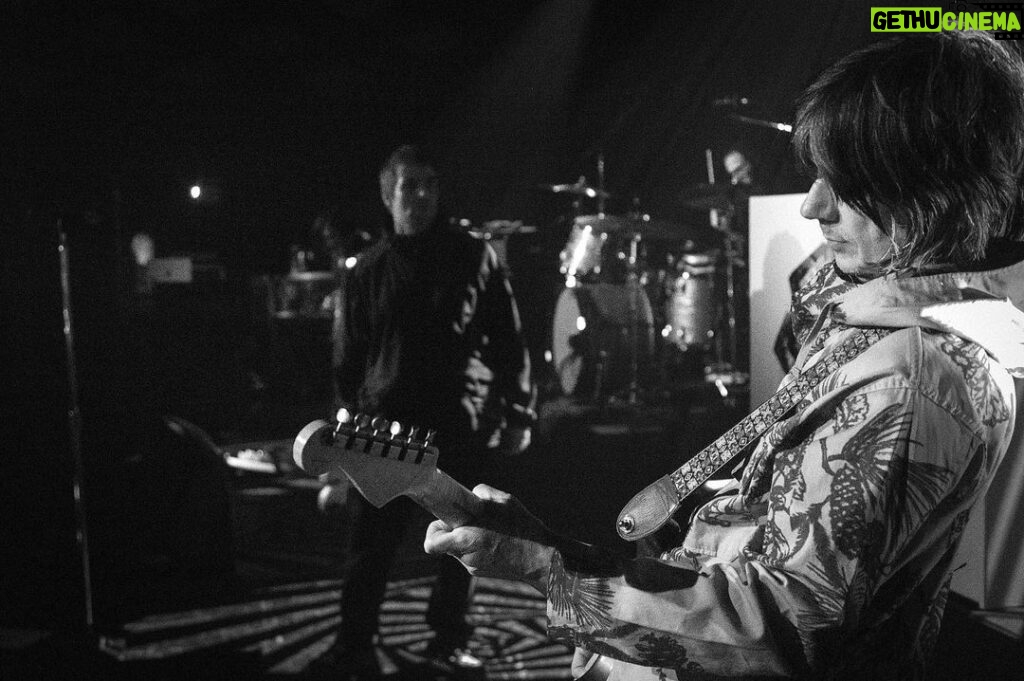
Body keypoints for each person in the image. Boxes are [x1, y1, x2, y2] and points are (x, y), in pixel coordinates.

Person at [425, 32, 1024, 680]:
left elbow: (775, 631)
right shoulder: (889, 324)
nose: (812, 204)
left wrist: (542, 567)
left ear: (930, 187)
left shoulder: (907, 381)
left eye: (847, 182)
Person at [320, 145, 536, 679]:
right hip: (383, 430)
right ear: (386, 191)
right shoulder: (367, 271)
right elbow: (348, 362)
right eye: (410, 184)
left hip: (458, 426)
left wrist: (520, 414)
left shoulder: (473, 256)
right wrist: (343, 441)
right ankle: (354, 641)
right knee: (370, 545)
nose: (421, 195)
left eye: (430, 184)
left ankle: (447, 638)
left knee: (461, 547)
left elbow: (509, 339)